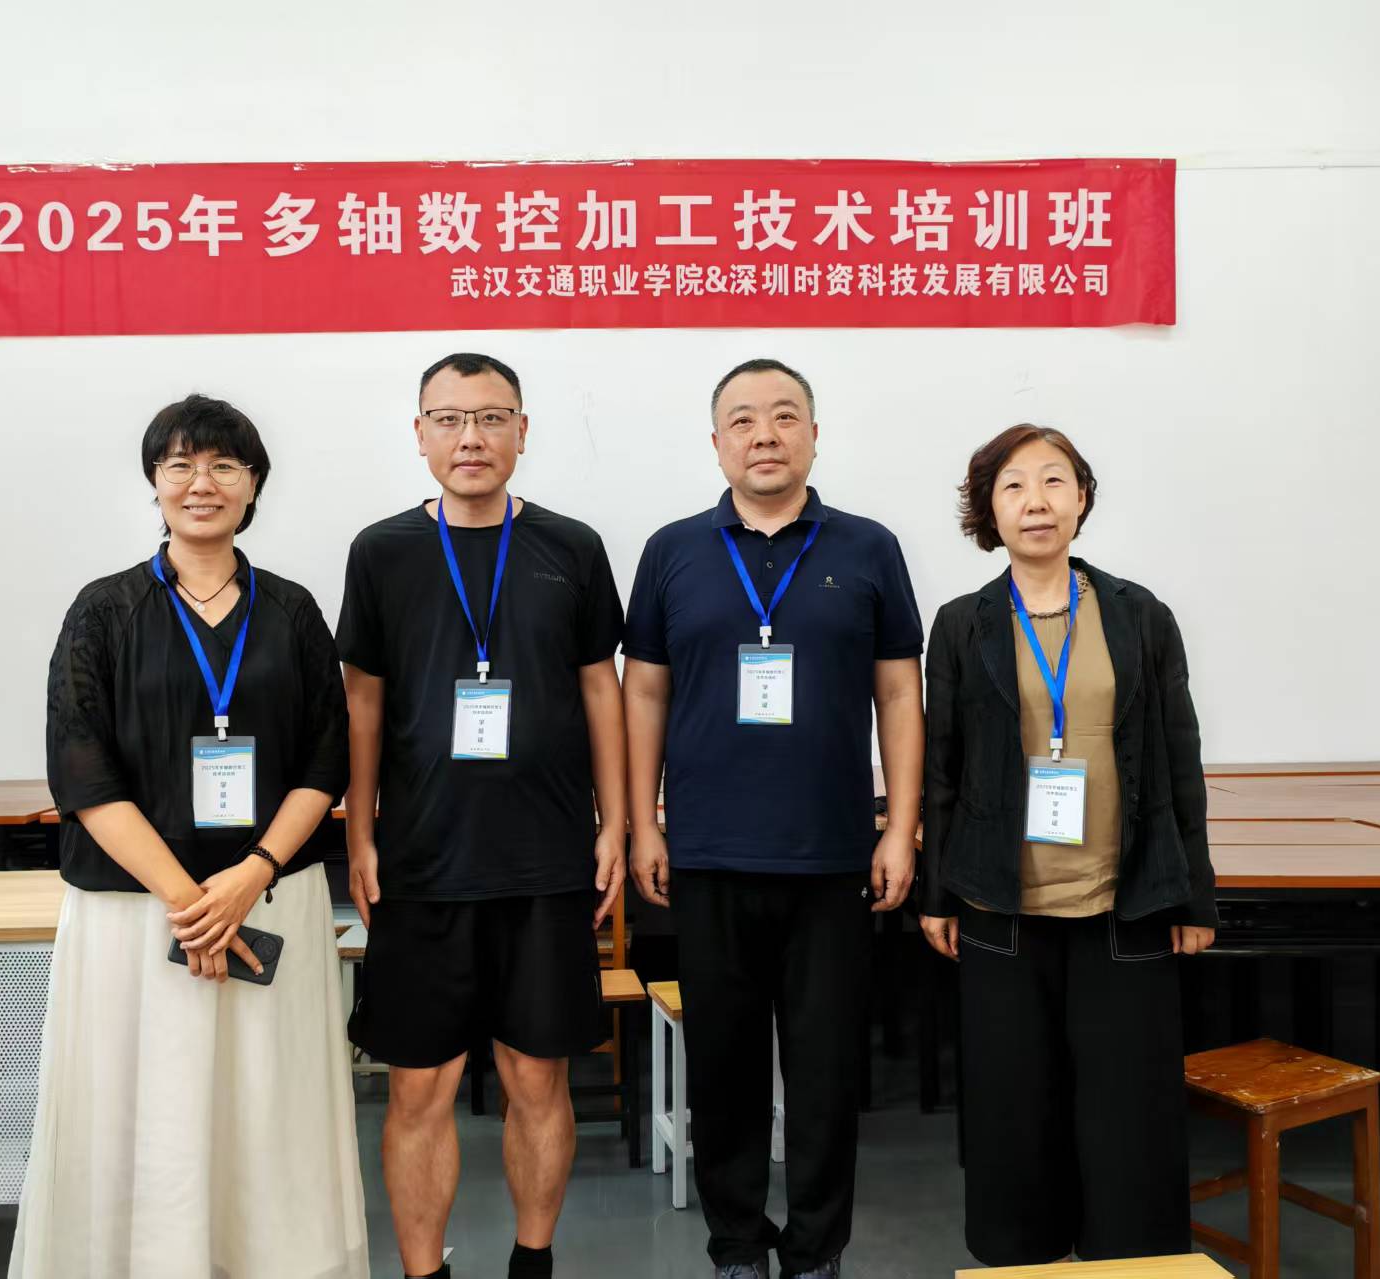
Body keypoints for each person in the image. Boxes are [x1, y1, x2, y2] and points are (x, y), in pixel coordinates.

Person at [10, 393, 368, 1279]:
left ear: (253, 486)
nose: (201, 483)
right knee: (141, 1112)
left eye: (223, 466)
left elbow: (326, 758)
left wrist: (249, 876)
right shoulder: (103, 610)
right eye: (180, 465)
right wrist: (189, 901)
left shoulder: (292, 611)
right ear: (155, 482)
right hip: (137, 915)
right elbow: (81, 769)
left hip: (268, 899)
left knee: (269, 1110)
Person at [624, 358, 926, 1279]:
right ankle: (736, 1246)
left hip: (832, 855)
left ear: (814, 436)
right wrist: (644, 821)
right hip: (708, 853)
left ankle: (817, 1248)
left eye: (785, 416)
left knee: (826, 1068)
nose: (765, 434)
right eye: (744, 419)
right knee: (724, 1068)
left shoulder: (867, 547)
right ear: (717, 442)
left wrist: (899, 827)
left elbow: (898, 692)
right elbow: (644, 692)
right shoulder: (673, 550)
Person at [337, 353, 627, 1279]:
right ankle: (425, 1272)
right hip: (423, 863)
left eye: (492, 417)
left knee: (538, 1077)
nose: (472, 437)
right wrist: (360, 833)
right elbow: (363, 704)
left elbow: (601, 689)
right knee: (419, 1087)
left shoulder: (571, 546)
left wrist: (615, 821)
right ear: (420, 434)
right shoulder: (382, 551)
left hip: (544, 860)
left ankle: (532, 1264)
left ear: (523, 431)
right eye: (450, 418)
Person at [917, 423, 1218, 1267]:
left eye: (1055, 481)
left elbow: (1180, 755)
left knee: (1129, 1116)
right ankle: (1023, 1261)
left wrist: (1195, 893)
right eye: (1013, 485)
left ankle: (1131, 1261)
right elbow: (943, 769)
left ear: (1082, 498)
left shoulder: (1139, 613)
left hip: (1126, 900)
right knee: (1014, 1111)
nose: (1036, 501)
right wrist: (938, 894)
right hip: (1000, 903)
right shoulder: (962, 624)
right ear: (989, 511)